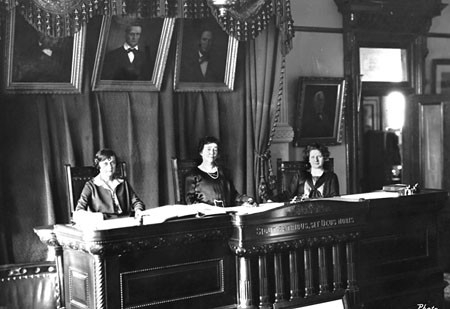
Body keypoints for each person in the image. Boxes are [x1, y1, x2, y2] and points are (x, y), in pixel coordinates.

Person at [184, 136, 255, 207]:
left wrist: (247, 199)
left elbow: (233, 195)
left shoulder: (224, 172)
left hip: (226, 214)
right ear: (201, 152)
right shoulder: (192, 175)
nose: (212, 152)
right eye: (208, 149)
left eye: (215, 150)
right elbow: (190, 201)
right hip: (205, 216)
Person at [75, 149, 145, 219]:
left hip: (125, 221)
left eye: (112, 163)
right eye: (105, 163)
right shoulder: (90, 186)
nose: (110, 167)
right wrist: (96, 217)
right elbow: (79, 210)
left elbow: (137, 202)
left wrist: (138, 210)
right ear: (98, 165)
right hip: (104, 224)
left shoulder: (123, 183)